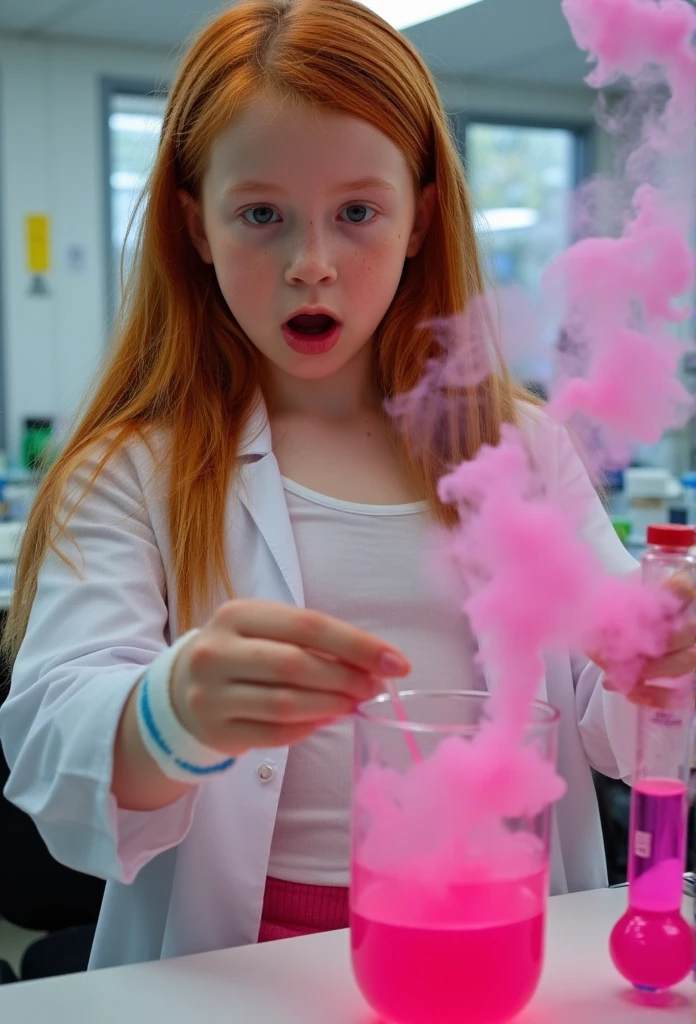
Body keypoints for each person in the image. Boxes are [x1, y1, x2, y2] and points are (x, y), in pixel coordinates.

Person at [0, 0, 693, 971]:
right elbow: (50, 742)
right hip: (234, 966)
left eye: (357, 212)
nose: (310, 264)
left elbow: (612, 714)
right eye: (262, 215)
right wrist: (172, 709)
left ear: (419, 219)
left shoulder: (521, 448)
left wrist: (660, 648)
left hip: (493, 926)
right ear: (195, 225)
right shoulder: (131, 465)